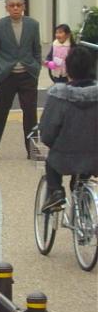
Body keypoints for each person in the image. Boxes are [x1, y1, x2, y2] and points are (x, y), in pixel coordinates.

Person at [38, 46, 97, 212]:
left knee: (50, 162)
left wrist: (49, 141)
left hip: (65, 156)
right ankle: (84, 216)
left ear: (69, 69)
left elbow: (48, 131)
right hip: (95, 155)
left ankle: (56, 192)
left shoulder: (59, 95)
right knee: (82, 179)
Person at [0, 0, 42, 159]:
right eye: (12, 5)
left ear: (24, 6)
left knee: (30, 113)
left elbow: (36, 49)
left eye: (19, 5)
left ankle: (32, 149)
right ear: (7, 8)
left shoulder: (33, 25)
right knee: (0, 112)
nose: (16, 8)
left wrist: (36, 67)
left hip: (28, 74)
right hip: (6, 75)